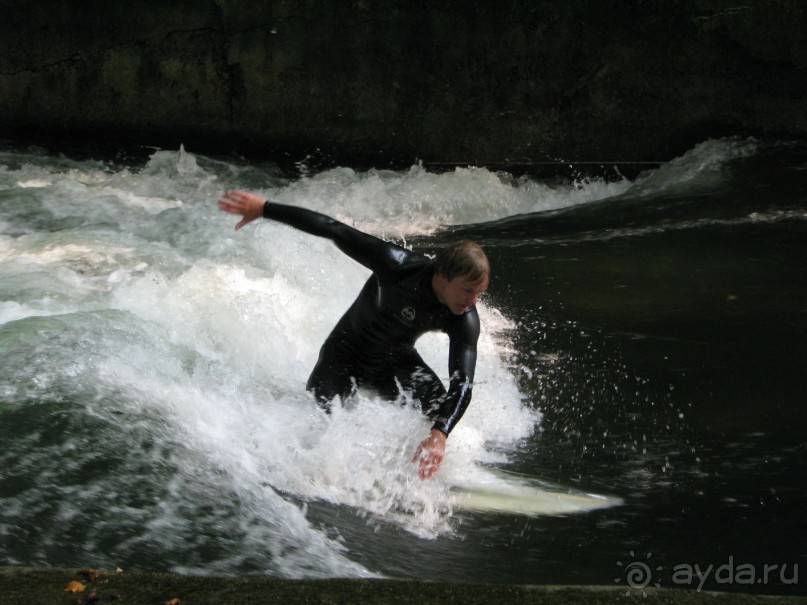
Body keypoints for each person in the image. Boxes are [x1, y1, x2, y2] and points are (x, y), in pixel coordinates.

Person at [218, 190, 489, 479]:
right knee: (314, 426)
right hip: (345, 354)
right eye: (468, 291)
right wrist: (265, 209)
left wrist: (439, 434)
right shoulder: (397, 266)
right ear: (443, 277)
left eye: (480, 293)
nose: (473, 301)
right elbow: (334, 229)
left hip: (393, 362)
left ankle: (406, 475)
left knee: (439, 413)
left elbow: (462, 385)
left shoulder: (463, 318)